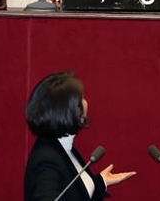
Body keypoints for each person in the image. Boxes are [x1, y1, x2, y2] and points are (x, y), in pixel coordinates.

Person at [24, 71, 136, 200]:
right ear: (67, 110)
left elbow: (72, 192)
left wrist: (99, 182)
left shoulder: (62, 146)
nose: (86, 102)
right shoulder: (47, 161)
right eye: (81, 99)